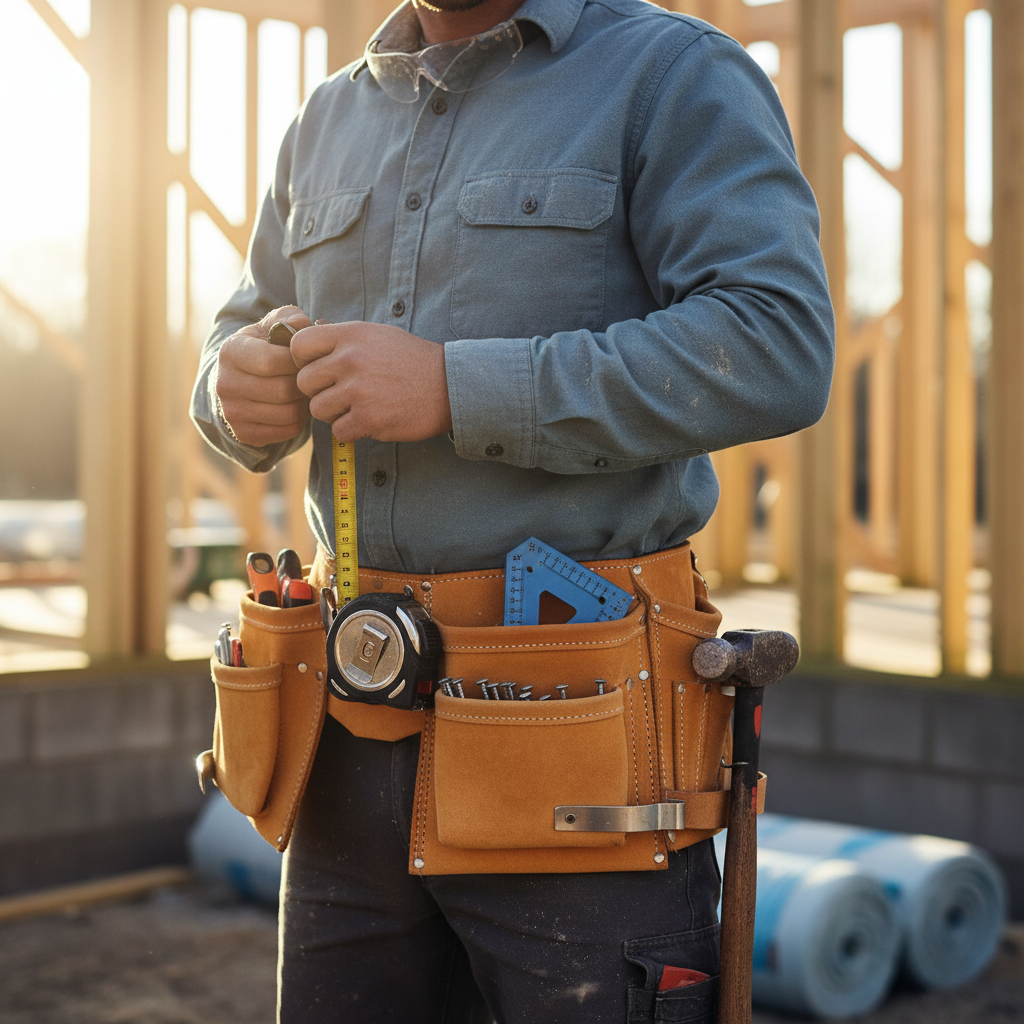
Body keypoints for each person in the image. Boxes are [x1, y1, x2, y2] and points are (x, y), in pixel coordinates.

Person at [191, 0, 834, 1020]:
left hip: (579, 738)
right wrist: (233, 392)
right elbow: (242, 327)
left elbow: (775, 344)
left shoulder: (671, 76)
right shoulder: (326, 117)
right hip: (344, 731)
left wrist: (458, 387)